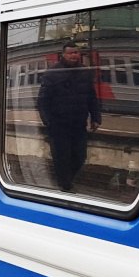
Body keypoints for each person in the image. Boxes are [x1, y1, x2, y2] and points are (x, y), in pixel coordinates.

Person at [36, 41, 102, 193]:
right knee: (61, 156)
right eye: (71, 53)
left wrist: (96, 117)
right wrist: (48, 122)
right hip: (59, 124)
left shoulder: (85, 72)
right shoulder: (52, 73)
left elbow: (91, 97)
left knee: (80, 156)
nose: (74, 55)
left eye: (76, 52)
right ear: (63, 55)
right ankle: (65, 185)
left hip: (79, 123)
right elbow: (43, 100)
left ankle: (67, 180)